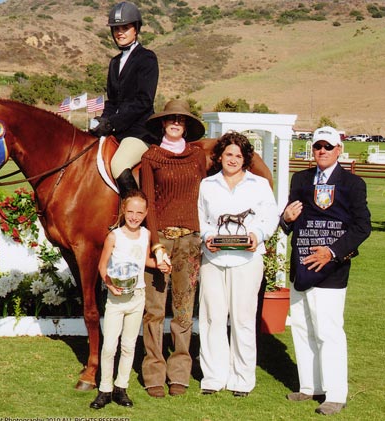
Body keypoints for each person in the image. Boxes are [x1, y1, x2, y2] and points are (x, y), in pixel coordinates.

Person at [280, 126, 371, 416]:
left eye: (327, 147)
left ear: (338, 150)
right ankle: (310, 386)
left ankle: (335, 393)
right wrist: (285, 218)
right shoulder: (301, 179)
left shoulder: (353, 184)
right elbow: (290, 221)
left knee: (328, 330)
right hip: (302, 263)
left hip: (331, 268)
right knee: (303, 327)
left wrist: (332, 252)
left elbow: (362, 226)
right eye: (317, 146)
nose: (321, 151)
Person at [197, 131, 278, 397]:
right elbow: (201, 219)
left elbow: (270, 218)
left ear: (246, 159)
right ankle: (213, 377)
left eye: (238, 156)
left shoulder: (259, 185)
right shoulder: (208, 185)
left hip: (247, 260)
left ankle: (242, 379)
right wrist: (208, 237)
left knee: (243, 319)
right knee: (212, 318)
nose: (233, 159)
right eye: (229, 154)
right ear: (220, 156)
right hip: (214, 259)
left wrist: (258, 235)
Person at [140, 99, 207, 398]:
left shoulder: (197, 156)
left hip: (190, 240)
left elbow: (204, 196)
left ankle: (179, 370)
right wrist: (155, 244)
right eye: (170, 119)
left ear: (186, 124)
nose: (175, 123)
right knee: (154, 310)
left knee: (183, 308)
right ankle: (153, 371)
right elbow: (148, 204)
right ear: (163, 124)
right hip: (162, 238)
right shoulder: (150, 157)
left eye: (180, 119)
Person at [90, 190, 169, 410]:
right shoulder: (114, 236)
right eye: (131, 211)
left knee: (129, 345)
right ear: (124, 210)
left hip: (137, 296)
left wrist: (159, 265)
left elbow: (144, 261)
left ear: (145, 214)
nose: (134, 217)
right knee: (109, 346)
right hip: (116, 299)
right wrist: (109, 284)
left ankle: (120, 387)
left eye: (139, 213)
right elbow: (102, 266)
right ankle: (104, 389)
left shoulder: (145, 235)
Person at [89, 1, 159, 198]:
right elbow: (112, 101)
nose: (120, 32)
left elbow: (144, 101)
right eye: (116, 29)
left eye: (125, 28)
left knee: (118, 163)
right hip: (117, 130)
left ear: (135, 29)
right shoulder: (114, 63)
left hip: (139, 132)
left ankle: (136, 213)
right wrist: (102, 121)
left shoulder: (146, 58)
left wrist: (112, 123)